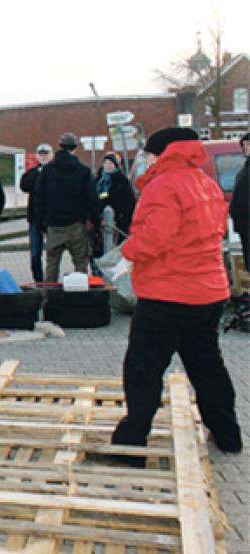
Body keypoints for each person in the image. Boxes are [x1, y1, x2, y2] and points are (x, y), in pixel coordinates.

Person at [109, 127, 242, 466]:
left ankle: (132, 441)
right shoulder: (205, 182)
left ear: (161, 153)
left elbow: (155, 236)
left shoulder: (164, 185)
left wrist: (128, 253)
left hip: (167, 294)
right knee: (207, 365)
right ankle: (227, 433)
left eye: (149, 153)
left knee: (143, 368)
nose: (146, 159)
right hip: (208, 292)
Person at [33, 132, 99, 282]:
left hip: (54, 225)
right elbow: (92, 200)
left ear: (60, 147)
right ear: (75, 148)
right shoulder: (84, 171)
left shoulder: (48, 170)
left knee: (52, 263)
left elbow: (39, 198)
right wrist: (93, 222)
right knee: (81, 263)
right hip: (77, 225)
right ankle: (79, 297)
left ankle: (49, 297)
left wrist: (40, 223)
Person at [19, 144, 52, 282]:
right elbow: (24, 186)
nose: (43, 156)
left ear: (51, 155)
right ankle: (38, 280)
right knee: (35, 254)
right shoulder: (32, 172)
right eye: (41, 154)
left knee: (53, 254)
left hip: (52, 219)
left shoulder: (56, 172)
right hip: (35, 219)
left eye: (46, 154)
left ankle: (51, 279)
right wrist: (38, 173)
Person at [93, 152, 136, 249]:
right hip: (99, 216)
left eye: (111, 163)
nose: (108, 165)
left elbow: (129, 200)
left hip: (119, 218)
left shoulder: (122, 180)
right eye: (106, 163)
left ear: (115, 165)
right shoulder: (98, 179)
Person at [229, 132, 250, 271]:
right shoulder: (246, 168)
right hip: (245, 226)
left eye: (248, 144)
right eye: (244, 145)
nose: (245, 148)